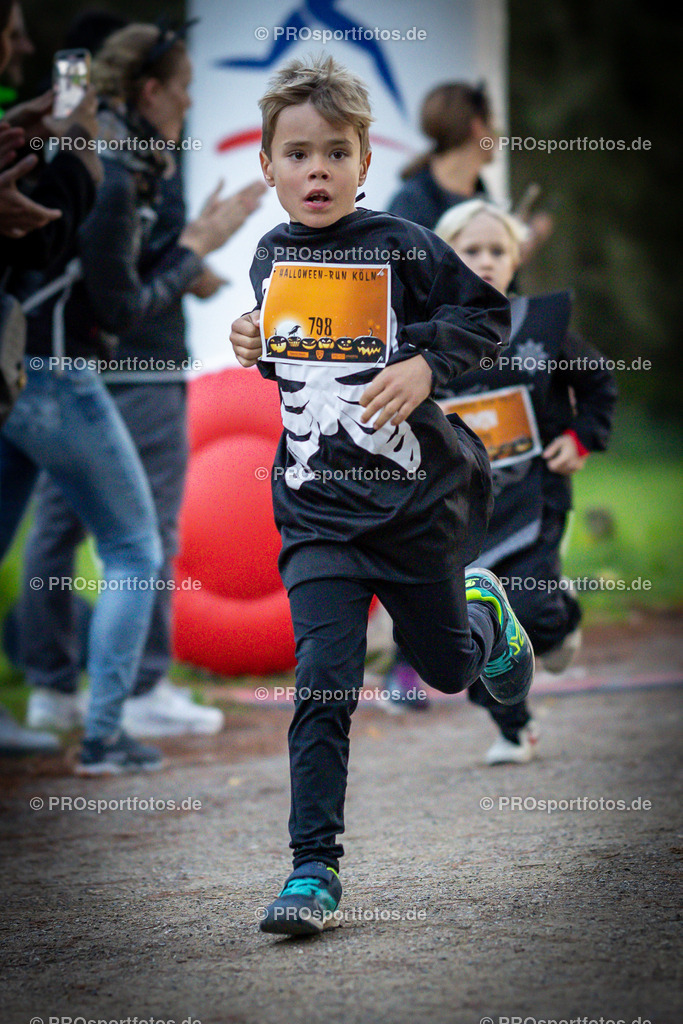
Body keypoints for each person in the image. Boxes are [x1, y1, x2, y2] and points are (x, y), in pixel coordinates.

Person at [229, 54, 534, 937]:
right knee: (322, 683)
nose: (314, 170)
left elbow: (485, 315)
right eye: (296, 155)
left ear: (364, 161)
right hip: (318, 514)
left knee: (444, 670)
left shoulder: (403, 243)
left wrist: (425, 363)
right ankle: (312, 869)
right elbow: (298, 376)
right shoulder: (270, 254)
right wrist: (252, 337)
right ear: (268, 166)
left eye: (334, 153)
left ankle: (485, 613)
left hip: (411, 509)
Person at [0, 22, 247, 774]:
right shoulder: (112, 167)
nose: (192, 100)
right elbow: (120, 305)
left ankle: (59, 700)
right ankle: (107, 735)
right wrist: (198, 245)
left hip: (15, 371)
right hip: (57, 371)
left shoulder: (84, 149)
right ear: (147, 91)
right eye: (183, 87)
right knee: (136, 547)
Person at [431, 198, 616, 763]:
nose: (485, 260)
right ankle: (513, 725)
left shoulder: (540, 327)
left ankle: (560, 624)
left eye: (498, 250)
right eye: (471, 249)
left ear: (515, 259)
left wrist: (580, 438)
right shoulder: (426, 337)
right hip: (461, 514)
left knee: (531, 606)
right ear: (444, 256)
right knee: (468, 629)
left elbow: (598, 383)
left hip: (535, 497)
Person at [386, 80, 553, 264]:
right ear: (477, 127)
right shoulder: (412, 203)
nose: (498, 138)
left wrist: (512, 251)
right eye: (494, 127)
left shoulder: (482, 198)